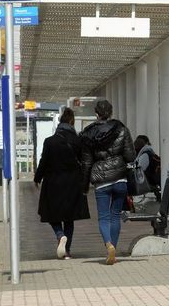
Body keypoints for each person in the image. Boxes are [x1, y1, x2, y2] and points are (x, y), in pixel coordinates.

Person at [80, 100, 135, 265]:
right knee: (115, 215)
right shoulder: (122, 129)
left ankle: (108, 245)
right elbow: (131, 156)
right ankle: (113, 251)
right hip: (120, 178)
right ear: (111, 112)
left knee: (103, 217)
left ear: (96, 114)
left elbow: (87, 163)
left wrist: (84, 186)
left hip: (101, 180)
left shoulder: (88, 134)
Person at [34, 108, 90, 260]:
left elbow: (43, 162)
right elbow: (85, 162)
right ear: (72, 121)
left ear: (60, 122)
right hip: (73, 183)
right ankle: (67, 251)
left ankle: (60, 235)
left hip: (53, 183)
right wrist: (86, 182)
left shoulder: (50, 141)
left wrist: (37, 178)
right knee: (69, 218)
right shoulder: (78, 141)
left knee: (51, 213)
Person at [134, 135, 161, 201]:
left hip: (148, 183)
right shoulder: (150, 153)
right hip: (152, 182)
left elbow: (140, 171)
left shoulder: (144, 155)